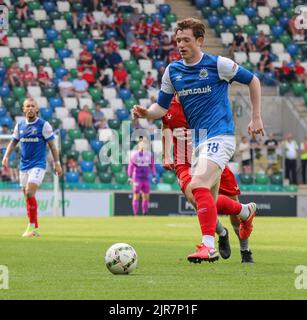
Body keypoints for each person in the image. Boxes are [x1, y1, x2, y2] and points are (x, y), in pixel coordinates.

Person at [132, 18, 263, 263]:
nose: (180, 44)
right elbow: (161, 107)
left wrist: (256, 117)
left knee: (198, 184)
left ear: (200, 40)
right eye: (178, 40)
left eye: (186, 40)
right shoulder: (173, 71)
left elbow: (253, 80)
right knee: (206, 200)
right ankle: (245, 212)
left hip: (220, 136)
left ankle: (208, 245)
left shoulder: (218, 64)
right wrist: (146, 113)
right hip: (199, 143)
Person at [162, 96, 255, 263]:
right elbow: (165, 126)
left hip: (211, 158)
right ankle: (222, 232)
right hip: (185, 164)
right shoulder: (167, 106)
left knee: (234, 211)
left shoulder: (201, 99)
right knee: (197, 199)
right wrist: (166, 154)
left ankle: (245, 250)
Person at [1, 98, 63, 237]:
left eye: (32, 106)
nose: (30, 108)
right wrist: (6, 156)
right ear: (23, 109)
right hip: (24, 166)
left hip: (38, 165)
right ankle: (34, 227)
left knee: (29, 192)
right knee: (27, 197)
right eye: (27, 106)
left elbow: (53, 145)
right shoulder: (20, 126)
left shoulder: (43, 125)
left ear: (37, 109)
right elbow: (13, 142)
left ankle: (30, 227)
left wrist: (57, 162)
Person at [127, 137, 156, 216]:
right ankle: (135, 213)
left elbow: (152, 166)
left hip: (145, 178)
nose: (144, 144)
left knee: (146, 196)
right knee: (136, 195)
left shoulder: (149, 154)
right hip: (137, 177)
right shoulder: (134, 154)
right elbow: (131, 166)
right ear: (139, 144)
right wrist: (129, 176)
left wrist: (153, 175)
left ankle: (145, 213)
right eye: (142, 142)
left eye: (145, 143)